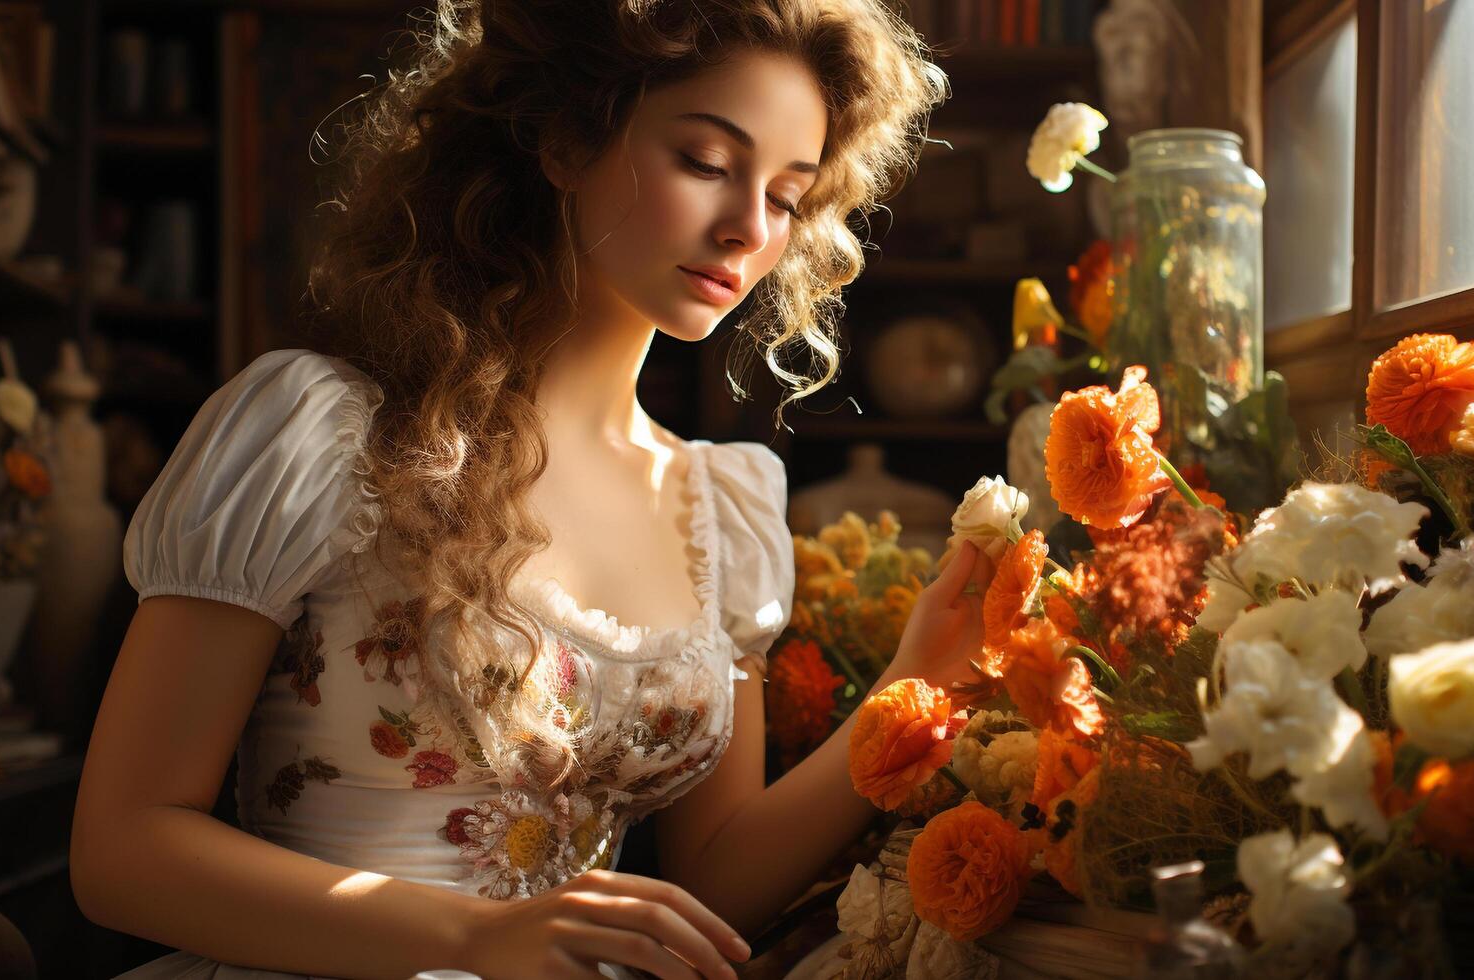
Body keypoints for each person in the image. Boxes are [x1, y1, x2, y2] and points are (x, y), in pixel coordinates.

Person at [70, 2, 983, 977]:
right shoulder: (318, 432)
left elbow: (705, 892)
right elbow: (121, 850)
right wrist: (470, 935)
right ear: (563, 138)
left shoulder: (720, 507)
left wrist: (917, 680)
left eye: (788, 195)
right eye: (706, 162)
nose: (746, 228)